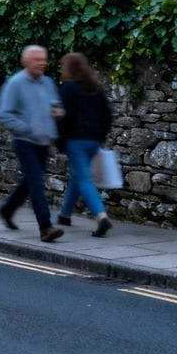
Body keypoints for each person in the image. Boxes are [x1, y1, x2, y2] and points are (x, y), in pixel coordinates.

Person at [0, 45, 65, 242]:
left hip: (43, 142)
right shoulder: (15, 83)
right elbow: (4, 114)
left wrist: (58, 112)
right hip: (24, 141)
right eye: (37, 59)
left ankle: (7, 210)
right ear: (25, 61)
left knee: (29, 182)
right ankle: (46, 227)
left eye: (44, 59)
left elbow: (55, 105)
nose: (42, 63)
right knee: (36, 181)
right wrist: (27, 128)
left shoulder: (48, 83)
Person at [56, 52, 114, 237]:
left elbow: (62, 117)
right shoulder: (95, 88)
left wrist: (60, 141)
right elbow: (107, 115)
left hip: (76, 141)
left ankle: (101, 217)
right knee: (78, 175)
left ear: (69, 69)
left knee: (84, 179)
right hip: (94, 140)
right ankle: (65, 214)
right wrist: (102, 136)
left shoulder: (67, 88)